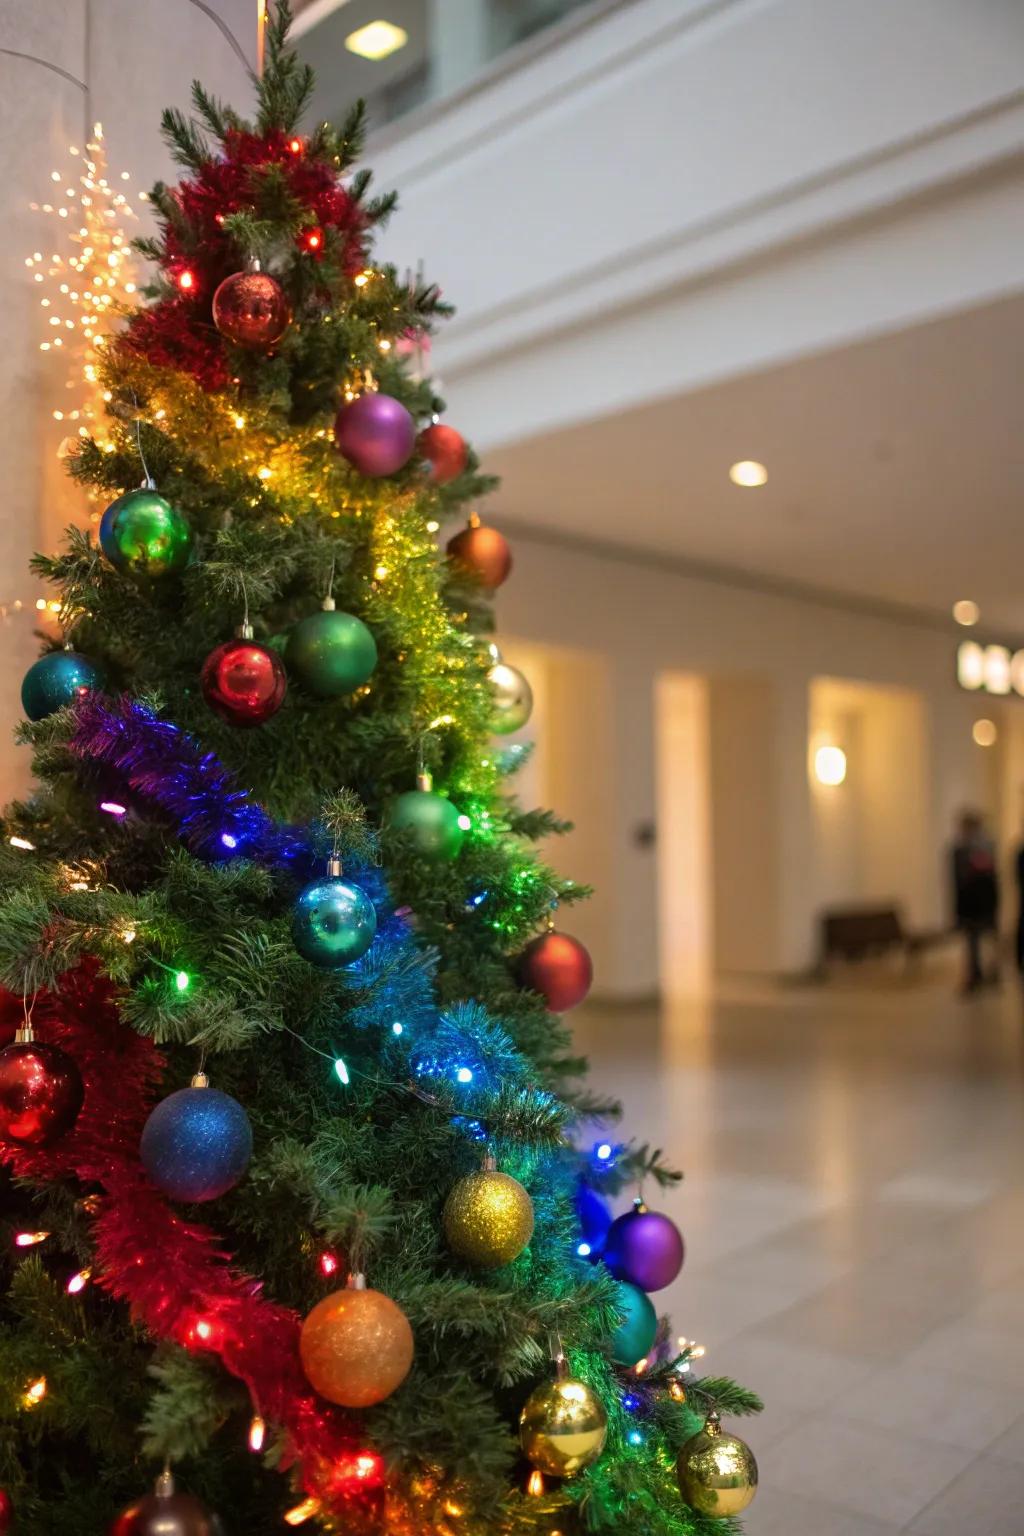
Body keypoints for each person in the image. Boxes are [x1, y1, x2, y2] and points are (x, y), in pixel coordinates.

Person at [951, 809, 1000, 993]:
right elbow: (956, 882)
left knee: (989, 941)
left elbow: (992, 880)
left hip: (984, 904)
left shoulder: (985, 849)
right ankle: (974, 975)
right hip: (969, 906)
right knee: (972, 944)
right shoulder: (959, 851)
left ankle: (991, 974)